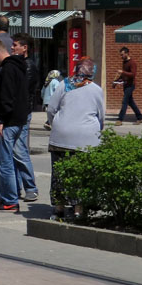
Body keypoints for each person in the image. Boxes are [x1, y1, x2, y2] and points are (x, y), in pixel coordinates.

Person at [46, 56, 105, 220]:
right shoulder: (96, 90)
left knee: (59, 173)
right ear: (92, 72)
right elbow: (101, 115)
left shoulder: (64, 84)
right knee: (81, 175)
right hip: (86, 139)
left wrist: (56, 123)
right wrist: (98, 129)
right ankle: (78, 210)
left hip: (61, 136)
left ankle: (58, 209)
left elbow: (51, 109)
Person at [0, 38, 36, 212]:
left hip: (8, 121)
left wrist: (0, 121)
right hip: (18, 119)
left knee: (4, 162)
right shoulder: (19, 66)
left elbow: (7, 97)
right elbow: (13, 92)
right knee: (8, 160)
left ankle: (9, 200)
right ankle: (6, 196)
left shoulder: (7, 69)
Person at [10, 34, 41, 201]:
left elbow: (23, 91)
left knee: (19, 149)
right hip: (16, 112)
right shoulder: (17, 64)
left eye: (15, 45)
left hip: (22, 112)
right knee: (13, 150)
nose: (12, 47)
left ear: (25, 48)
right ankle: (15, 188)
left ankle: (30, 187)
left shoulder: (28, 66)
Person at [114, 46, 142, 125]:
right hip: (126, 84)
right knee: (130, 102)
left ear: (127, 53)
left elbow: (133, 74)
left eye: (122, 54)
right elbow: (123, 74)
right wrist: (116, 82)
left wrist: (122, 72)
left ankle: (120, 120)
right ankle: (140, 117)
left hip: (131, 85)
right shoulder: (124, 62)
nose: (121, 56)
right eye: (120, 55)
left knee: (125, 102)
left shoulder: (132, 63)